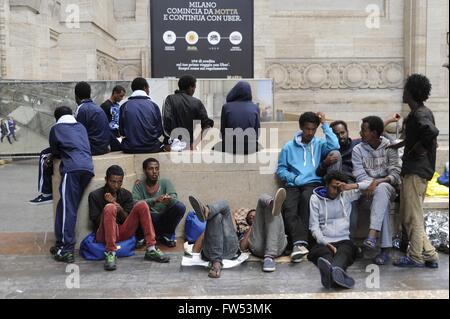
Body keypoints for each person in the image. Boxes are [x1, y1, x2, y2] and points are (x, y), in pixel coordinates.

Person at [277, 112, 340, 262]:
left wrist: (324, 124)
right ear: (301, 127)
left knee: (307, 199)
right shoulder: (288, 147)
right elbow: (281, 169)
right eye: (307, 129)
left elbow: (335, 146)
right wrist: (294, 178)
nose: (310, 133)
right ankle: (298, 243)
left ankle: (299, 244)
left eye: (313, 129)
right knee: (289, 206)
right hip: (293, 183)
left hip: (312, 183)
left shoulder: (319, 144)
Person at [392, 74, 440, 268]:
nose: (403, 92)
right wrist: (402, 144)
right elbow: (419, 135)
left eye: (405, 89)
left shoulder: (421, 113)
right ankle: (430, 254)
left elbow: (431, 132)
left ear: (411, 92)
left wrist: (418, 149)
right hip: (415, 169)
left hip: (416, 170)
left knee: (413, 216)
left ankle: (415, 257)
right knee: (413, 214)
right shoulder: (417, 113)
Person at [88, 165, 169, 271]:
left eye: (119, 182)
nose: (116, 185)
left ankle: (151, 248)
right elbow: (96, 222)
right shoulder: (95, 195)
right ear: (106, 180)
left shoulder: (126, 194)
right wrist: (110, 206)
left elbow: (128, 220)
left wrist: (120, 209)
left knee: (142, 205)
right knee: (110, 207)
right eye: (113, 181)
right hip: (104, 234)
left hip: (122, 232)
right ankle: (111, 252)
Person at [352, 116, 401, 265]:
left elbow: (395, 174)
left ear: (374, 133)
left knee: (382, 189)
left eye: (364, 130)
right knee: (382, 201)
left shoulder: (390, 147)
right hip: (366, 191)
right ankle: (384, 249)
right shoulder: (357, 150)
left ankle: (372, 234)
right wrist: (369, 185)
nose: (360, 133)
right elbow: (359, 174)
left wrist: (377, 182)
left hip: (387, 187)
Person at [49, 106, 94, 263]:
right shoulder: (80, 126)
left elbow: (55, 151)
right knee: (66, 205)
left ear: (57, 118)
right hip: (88, 168)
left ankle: (67, 249)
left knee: (69, 209)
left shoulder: (56, 128)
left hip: (72, 169)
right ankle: (60, 243)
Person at [308, 171, 366, 289]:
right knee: (323, 252)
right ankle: (332, 270)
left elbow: (371, 184)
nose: (336, 191)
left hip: (343, 239)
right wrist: (325, 242)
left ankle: (334, 271)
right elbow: (314, 226)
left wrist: (350, 186)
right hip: (324, 240)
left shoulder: (346, 194)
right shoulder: (315, 199)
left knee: (344, 252)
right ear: (326, 185)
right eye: (333, 187)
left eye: (339, 188)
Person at [132, 158, 186, 247]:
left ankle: (167, 236)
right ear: (145, 171)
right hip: (148, 221)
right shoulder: (139, 185)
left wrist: (169, 199)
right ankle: (143, 237)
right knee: (145, 213)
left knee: (180, 207)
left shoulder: (165, 182)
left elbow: (174, 197)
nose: (154, 171)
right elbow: (134, 203)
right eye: (151, 169)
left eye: (157, 168)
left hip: (164, 220)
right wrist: (154, 200)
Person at [188, 196, 241, 279]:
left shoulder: (236, 223)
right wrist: (208, 231)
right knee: (217, 216)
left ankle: (207, 211)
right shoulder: (213, 225)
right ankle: (208, 212)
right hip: (211, 251)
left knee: (224, 204)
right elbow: (195, 250)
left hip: (229, 248)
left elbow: (234, 230)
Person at [235, 188, 287, 272]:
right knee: (261, 199)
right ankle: (269, 257)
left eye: (254, 215)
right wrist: (252, 227)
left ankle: (272, 204)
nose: (252, 217)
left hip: (278, 245)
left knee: (269, 208)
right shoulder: (247, 229)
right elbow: (242, 247)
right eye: (250, 218)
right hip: (259, 248)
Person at [162, 75, 214, 150]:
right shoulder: (197, 103)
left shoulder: (170, 99)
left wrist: (169, 142)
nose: (194, 90)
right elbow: (207, 125)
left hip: (172, 146)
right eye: (194, 87)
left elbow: (165, 121)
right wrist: (195, 143)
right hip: (190, 146)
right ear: (190, 87)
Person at [120, 78, 164, 154]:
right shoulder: (154, 106)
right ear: (145, 88)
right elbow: (159, 131)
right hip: (152, 147)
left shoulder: (124, 106)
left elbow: (122, 132)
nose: (149, 90)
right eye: (148, 88)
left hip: (130, 148)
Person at [75, 81, 118, 155]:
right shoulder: (98, 107)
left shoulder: (81, 109)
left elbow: (80, 134)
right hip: (104, 148)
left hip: (92, 150)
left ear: (76, 96)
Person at [218, 81, 261, 155]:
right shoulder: (255, 107)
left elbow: (223, 131)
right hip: (251, 147)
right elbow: (257, 132)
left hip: (230, 146)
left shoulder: (226, 107)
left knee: (216, 146)